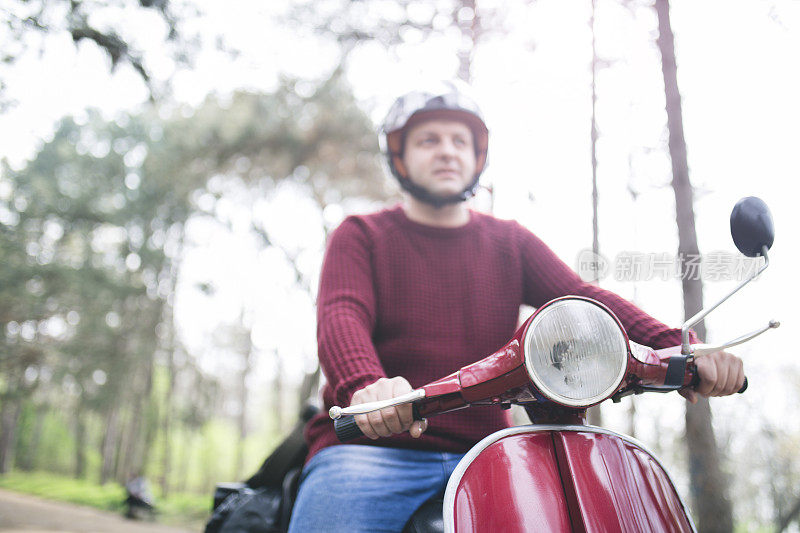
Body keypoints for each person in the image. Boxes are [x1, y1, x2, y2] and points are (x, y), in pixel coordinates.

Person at [287, 81, 744, 533]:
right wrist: (365, 386)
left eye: (459, 141)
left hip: (493, 449)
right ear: (400, 158)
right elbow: (341, 315)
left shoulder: (509, 241)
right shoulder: (361, 235)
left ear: (477, 157)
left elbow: (583, 300)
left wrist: (679, 346)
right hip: (373, 449)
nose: (447, 151)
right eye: (428, 140)